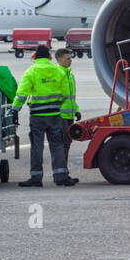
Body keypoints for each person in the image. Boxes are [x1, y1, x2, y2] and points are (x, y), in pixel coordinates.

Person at [12, 44, 70, 187]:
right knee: (57, 145)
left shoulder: (31, 72)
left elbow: (22, 94)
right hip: (55, 115)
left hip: (37, 115)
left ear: (34, 57)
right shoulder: (58, 72)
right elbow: (65, 94)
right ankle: (61, 176)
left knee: (37, 146)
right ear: (50, 57)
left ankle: (36, 178)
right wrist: (55, 105)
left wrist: (15, 110)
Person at [54, 47, 81, 186]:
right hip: (60, 116)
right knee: (62, 145)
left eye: (71, 58)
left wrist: (76, 110)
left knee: (67, 145)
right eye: (68, 58)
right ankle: (60, 175)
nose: (71, 61)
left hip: (69, 115)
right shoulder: (58, 74)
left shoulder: (69, 75)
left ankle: (63, 173)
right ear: (59, 60)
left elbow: (71, 97)